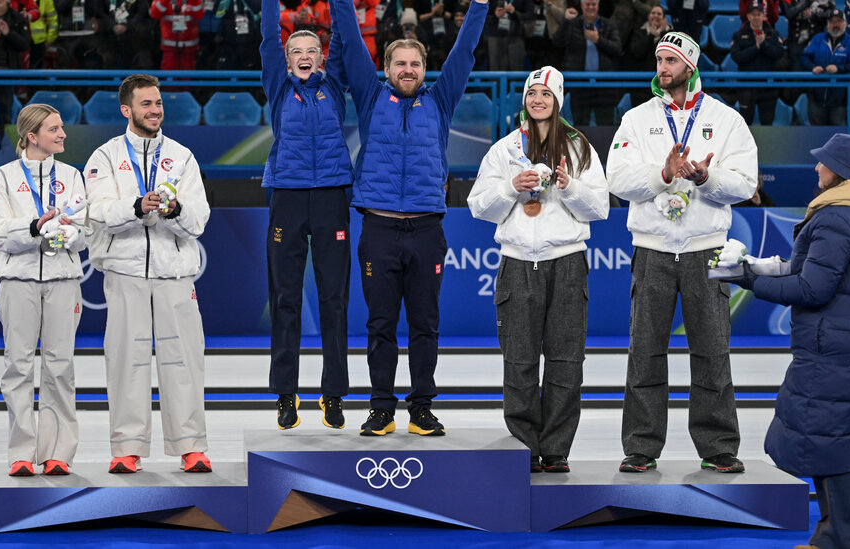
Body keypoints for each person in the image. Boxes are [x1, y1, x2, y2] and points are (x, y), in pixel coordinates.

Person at [718, 133, 850, 549]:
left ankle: (839, 534)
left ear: (840, 172)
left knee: (822, 433)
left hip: (832, 342)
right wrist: (760, 267)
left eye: (823, 163)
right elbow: (812, 268)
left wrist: (748, 281)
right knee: (821, 431)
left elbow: (812, 289)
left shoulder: (835, 216)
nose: (816, 168)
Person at [329, 0, 487, 437]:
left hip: (426, 230)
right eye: (400, 63)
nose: (408, 69)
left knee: (425, 324)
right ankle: (381, 408)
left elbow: (465, 50)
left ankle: (421, 407)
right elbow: (350, 38)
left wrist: (479, 6)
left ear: (424, 69)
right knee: (380, 324)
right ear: (385, 67)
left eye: (415, 63)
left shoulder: (440, 101)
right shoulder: (368, 95)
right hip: (378, 229)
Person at [606, 32, 757, 474]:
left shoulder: (726, 119)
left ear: (690, 66)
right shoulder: (636, 119)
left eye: (670, 59)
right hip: (652, 249)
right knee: (644, 350)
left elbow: (745, 183)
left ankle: (718, 447)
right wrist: (662, 173)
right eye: (658, 58)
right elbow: (617, 178)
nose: (662, 67)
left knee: (712, 351)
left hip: (705, 249)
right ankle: (641, 446)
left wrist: (708, 178)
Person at [468, 66, 609, 473]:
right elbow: (479, 206)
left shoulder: (580, 149)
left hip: (565, 262)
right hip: (516, 262)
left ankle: (557, 449)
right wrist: (511, 187)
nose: (538, 100)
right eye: (532, 94)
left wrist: (570, 187)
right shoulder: (505, 148)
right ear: (525, 101)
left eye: (546, 94)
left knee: (566, 360)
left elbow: (600, 209)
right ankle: (524, 448)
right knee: (519, 359)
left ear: (558, 100)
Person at [84, 74, 212, 474]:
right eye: (146, 104)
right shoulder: (104, 157)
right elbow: (97, 212)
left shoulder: (182, 156)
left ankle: (191, 446)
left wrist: (173, 212)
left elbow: (199, 219)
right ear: (127, 109)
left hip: (175, 273)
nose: (155, 110)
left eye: (158, 103)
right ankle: (127, 447)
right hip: (124, 271)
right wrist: (137, 205)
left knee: (184, 360)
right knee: (126, 360)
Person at [260, 0, 351, 430]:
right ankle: (286, 395)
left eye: (311, 49)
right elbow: (266, 35)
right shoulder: (278, 86)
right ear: (287, 58)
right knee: (286, 300)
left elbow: (347, 35)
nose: (303, 55)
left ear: (320, 57)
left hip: (332, 195)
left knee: (334, 300)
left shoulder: (333, 86)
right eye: (296, 49)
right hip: (288, 197)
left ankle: (332, 394)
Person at [0, 103, 86, 477]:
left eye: (61, 128)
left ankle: (58, 453)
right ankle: (21, 454)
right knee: (18, 368)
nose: (62, 134)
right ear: (31, 136)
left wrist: (65, 234)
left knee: (61, 368)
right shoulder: (4, 177)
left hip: (62, 279)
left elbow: (87, 228)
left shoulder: (73, 176)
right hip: (18, 281)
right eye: (54, 129)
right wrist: (34, 228)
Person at [550, 0, 621, 126]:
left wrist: (598, 40)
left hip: (604, 87)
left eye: (594, 4)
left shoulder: (609, 25)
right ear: (582, 6)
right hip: (579, 85)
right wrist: (566, 21)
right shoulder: (572, 24)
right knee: (580, 126)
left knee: (606, 126)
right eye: (587, 4)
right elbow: (557, 42)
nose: (591, 7)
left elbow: (617, 49)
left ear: (598, 5)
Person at [801, 9, 850, 126]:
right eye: (832, 22)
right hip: (816, 98)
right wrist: (812, 67)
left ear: (845, 23)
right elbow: (805, 57)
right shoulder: (817, 39)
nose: (835, 25)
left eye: (839, 21)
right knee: (817, 136)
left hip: (840, 101)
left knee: (839, 137)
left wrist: (839, 68)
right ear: (828, 24)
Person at [730, 0, 783, 125]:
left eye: (759, 14)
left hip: (768, 87)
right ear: (748, 16)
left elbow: (778, 54)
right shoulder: (738, 35)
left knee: (767, 124)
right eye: (753, 15)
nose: (756, 17)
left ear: (763, 16)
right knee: (745, 125)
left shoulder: (773, 34)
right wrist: (756, 47)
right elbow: (737, 57)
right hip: (746, 87)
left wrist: (764, 44)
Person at [150, 0, 204, 70]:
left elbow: (200, 15)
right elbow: (154, 14)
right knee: (169, 75)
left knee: (186, 76)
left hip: (188, 48)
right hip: (169, 48)